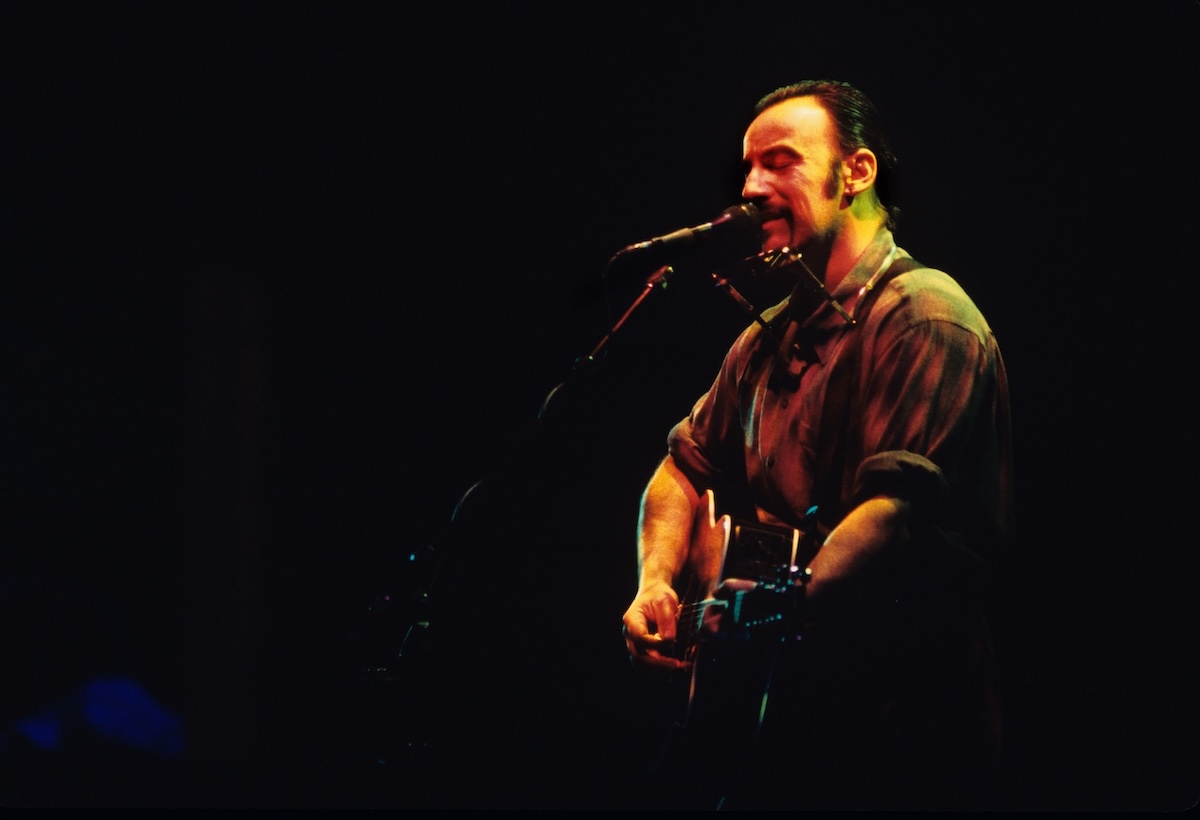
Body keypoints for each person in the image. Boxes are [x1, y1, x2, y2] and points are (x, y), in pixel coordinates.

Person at [620, 80, 1014, 810]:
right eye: (748, 167)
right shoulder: (765, 337)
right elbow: (680, 467)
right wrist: (656, 583)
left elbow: (893, 511)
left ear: (855, 173)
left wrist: (762, 608)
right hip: (784, 724)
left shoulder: (928, 318)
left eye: (780, 162)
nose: (751, 186)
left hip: (903, 734)